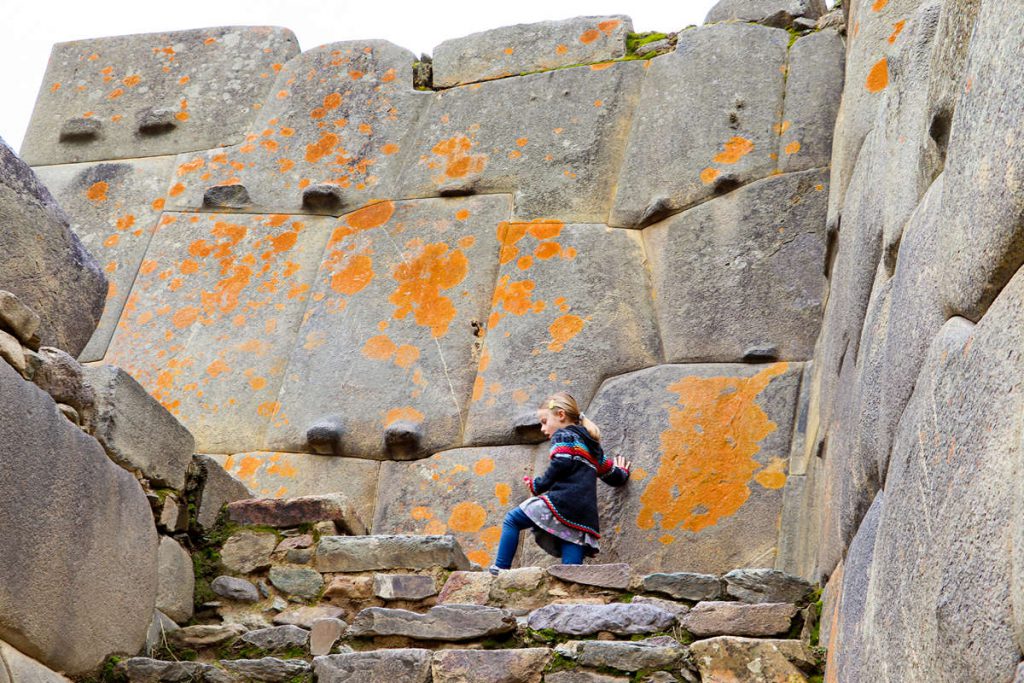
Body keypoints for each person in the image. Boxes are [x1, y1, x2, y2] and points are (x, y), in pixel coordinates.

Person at [490, 391, 631, 574]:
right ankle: (569, 593)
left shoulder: (564, 436)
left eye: (544, 421)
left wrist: (538, 485)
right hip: (583, 516)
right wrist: (623, 472)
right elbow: (612, 475)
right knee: (570, 569)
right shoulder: (592, 446)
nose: (542, 428)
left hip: (562, 502)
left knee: (513, 519)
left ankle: (499, 569)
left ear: (561, 415)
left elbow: (561, 463)